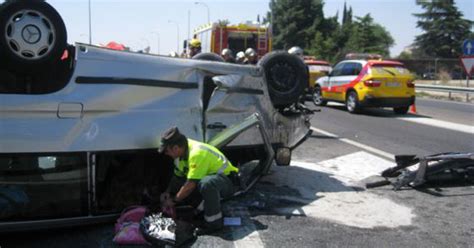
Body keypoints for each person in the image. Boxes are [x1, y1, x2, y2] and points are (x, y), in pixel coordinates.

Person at [158, 126, 239, 235]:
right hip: (211, 181)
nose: (166, 154)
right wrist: (168, 192)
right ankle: (203, 208)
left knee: (206, 184)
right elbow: (177, 178)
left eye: (167, 151)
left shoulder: (197, 153)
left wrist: (174, 201)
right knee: (192, 184)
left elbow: (190, 185)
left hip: (228, 183)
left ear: (176, 148)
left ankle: (214, 223)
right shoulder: (180, 155)